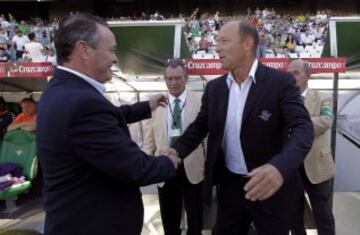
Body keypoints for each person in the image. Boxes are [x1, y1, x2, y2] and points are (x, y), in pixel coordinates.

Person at [36, 14, 180, 235]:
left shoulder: (61, 89)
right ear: (84, 50)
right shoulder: (83, 103)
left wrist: (145, 107)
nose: (115, 59)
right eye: (112, 50)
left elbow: (106, 119)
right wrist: (168, 162)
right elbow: (136, 168)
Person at [166, 20, 314, 235]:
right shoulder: (215, 88)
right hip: (231, 186)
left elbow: (304, 129)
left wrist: (280, 167)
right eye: (216, 41)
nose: (216, 47)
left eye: (224, 41)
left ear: (247, 43)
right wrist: (176, 150)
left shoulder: (280, 82)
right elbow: (200, 126)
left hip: (269, 186)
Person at [142, 59, 205, 235]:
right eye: (169, 79)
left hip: (193, 168)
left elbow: (206, 136)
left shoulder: (200, 101)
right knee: (169, 221)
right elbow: (149, 139)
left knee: (195, 220)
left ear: (186, 77)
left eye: (177, 78)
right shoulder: (156, 104)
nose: (173, 83)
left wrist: (208, 165)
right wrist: (147, 165)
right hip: (164, 168)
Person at [287, 59, 336, 235]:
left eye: (296, 73)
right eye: (288, 73)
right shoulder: (282, 99)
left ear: (308, 75)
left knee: (323, 214)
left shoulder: (324, 97)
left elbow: (326, 121)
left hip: (318, 166)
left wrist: (296, 126)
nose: (291, 77)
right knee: (294, 215)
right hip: (291, 167)